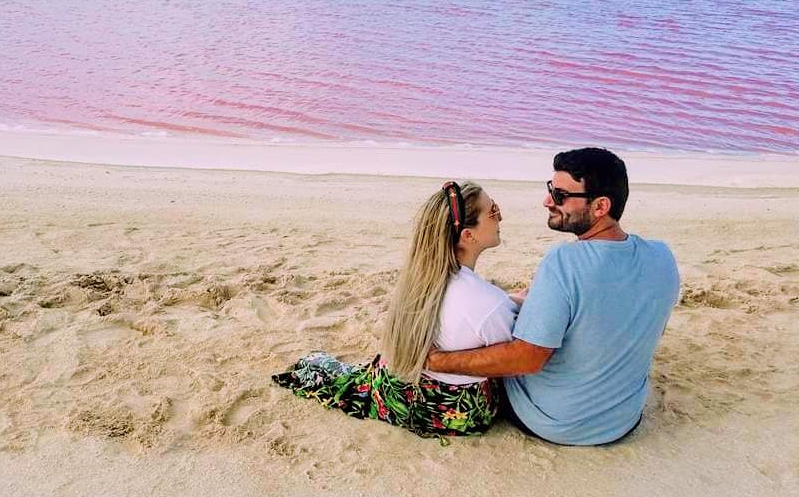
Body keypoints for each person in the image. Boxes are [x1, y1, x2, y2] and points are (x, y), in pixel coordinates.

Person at [427, 147, 679, 445]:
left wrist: (438, 361)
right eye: (550, 189)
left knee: (475, 338)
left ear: (600, 206)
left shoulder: (564, 262)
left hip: (554, 421)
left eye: (560, 196)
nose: (548, 201)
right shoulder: (662, 257)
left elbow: (526, 360)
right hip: (622, 419)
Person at [272, 181, 517, 437]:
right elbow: (513, 358)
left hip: (394, 387)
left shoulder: (424, 277)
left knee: (326, 368)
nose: (501, 217)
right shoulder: (488, 303)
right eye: (493, 211)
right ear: (468, 235)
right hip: (449, 411)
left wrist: (509, 300)